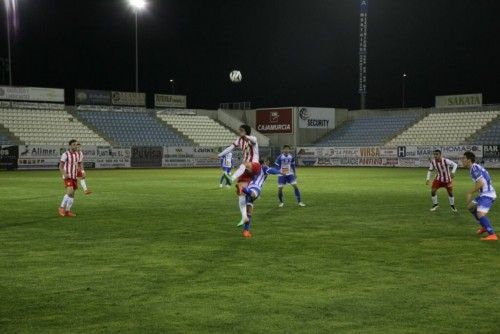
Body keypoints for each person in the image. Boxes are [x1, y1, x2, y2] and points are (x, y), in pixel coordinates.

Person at [217, 125, 261, 225]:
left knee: (244, 163)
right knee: (241, 193)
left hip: (254, 165)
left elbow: (254, 139)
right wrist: (219, 155)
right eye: (239, 130)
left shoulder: (252, 139)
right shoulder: (239, 140)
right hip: (245, 170)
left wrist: (246, 136)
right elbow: (230, 148)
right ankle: (244, 217)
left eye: (241, 130)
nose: (239, 132)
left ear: (246, 131)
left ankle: (231, 179)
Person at [238, 158, 280, 238]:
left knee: (249, 211)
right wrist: (280, 172)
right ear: (264, 162)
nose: (268, 163)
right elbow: (272, 171)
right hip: (255, 187)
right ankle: (242, 189)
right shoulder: (264, 167)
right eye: (267, 162)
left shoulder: (255, 169)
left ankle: (246, 231)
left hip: (249, 186)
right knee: (254, 194)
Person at [463, 151, 497, 241]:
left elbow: (481, 183)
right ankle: (484, 227)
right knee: (471, 207)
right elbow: (482, 181)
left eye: (464, 159)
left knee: (480, 213)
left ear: (469, 160)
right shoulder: (474, 168)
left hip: (488, 194)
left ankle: (492, 234)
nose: (462, 160)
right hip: (484, 194)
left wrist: (470, 192)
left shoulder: (474, 168)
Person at [58, 139, 80, 217]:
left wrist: (79, 172)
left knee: (72, 194)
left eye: (76, 144)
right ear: (70, 145)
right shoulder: (65, 154)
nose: (75, 146)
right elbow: (60, 166)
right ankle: (61, 207)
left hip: (74, 176)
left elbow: (76, 165)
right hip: (68, 176)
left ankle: (68, 211)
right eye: (74, 144)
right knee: (70, 192)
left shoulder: (77, 154)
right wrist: (64, 173)